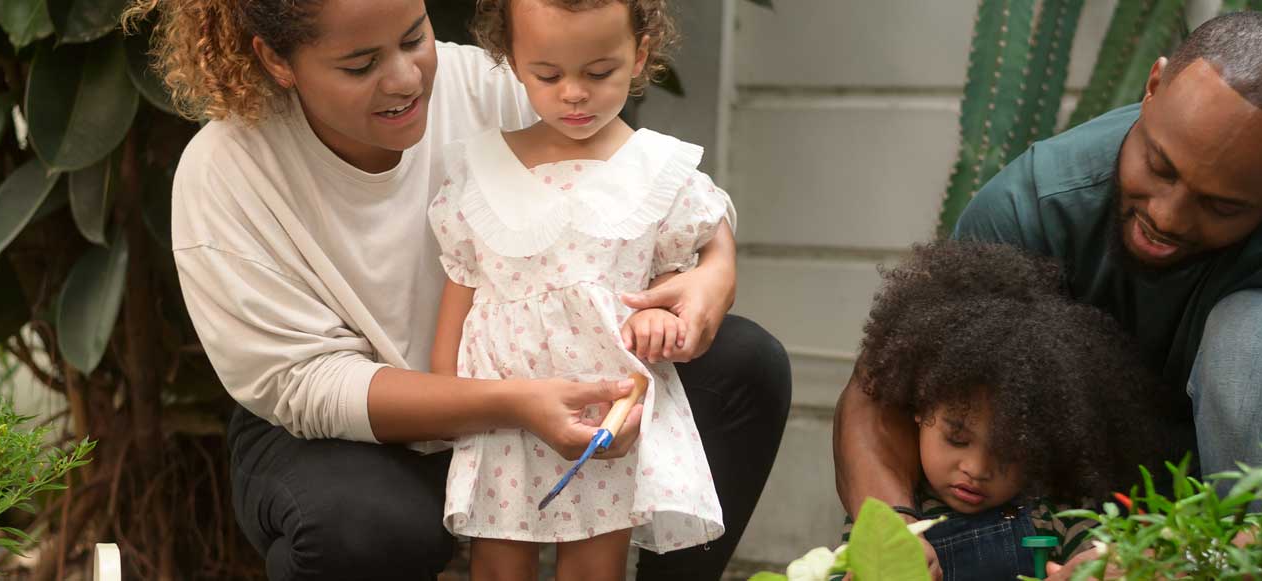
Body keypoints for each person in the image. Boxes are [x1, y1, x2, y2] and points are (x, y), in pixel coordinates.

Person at [834, 11, 1262, 579]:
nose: (1169, 215)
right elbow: (883, 388)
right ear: (1154, 86)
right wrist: (890, 528)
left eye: (1220, 203)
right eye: (1158, 165)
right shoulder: (1038, 203)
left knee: (1256, 334)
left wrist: (1190, 559)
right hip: (1167, 516)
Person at [131, 0, 791, 576]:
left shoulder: (494, 86)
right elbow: (305, 384)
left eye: (414, 37)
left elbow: (646, 178)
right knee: (360, 527)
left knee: (743, 366)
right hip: (349, 436)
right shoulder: (227, 173)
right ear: (277, 61)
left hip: (548, 391)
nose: (405, 77)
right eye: (360, 65)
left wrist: (713, 272)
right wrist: (507, 403)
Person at [426, 0, 731, 578]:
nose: (573, 93)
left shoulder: (658, 168)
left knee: (595, 564)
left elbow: (676, 275)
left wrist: (661, 315)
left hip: (604, 409)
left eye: (598, 73)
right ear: (512, 61)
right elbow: (461, 287)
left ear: (639, 56)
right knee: (497, 563)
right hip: (503, 410)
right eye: (548, 74)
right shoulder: (481, 167)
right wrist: (448, 400)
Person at [850, 240, 1188, 580]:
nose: (977, 469)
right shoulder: (890, 509)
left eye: (1008, 452)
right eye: (957, 438)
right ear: (920, 408)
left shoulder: (1060, 515)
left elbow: (1112, 560)